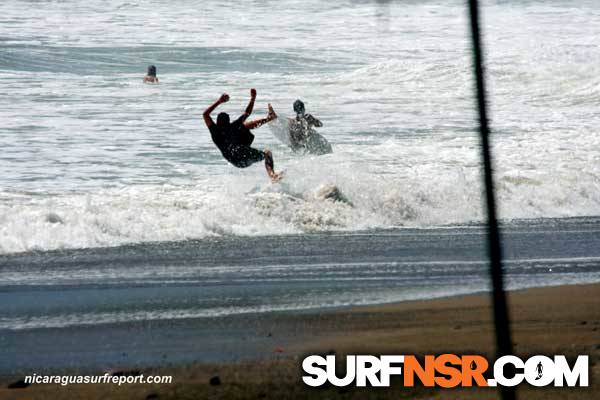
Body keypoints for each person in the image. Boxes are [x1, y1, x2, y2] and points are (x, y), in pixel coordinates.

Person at [203, 89, 282, 182]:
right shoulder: (232, 126)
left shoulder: (215, 131)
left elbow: (205, 114)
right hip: (242, 153)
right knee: (267, 154)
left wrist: (219, 102)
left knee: (244, 126)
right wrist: (253, 98)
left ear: (217, 122)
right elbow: (247, 113)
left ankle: (270, 118)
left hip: (236, 162)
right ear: (228, 121)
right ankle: (272, 174)